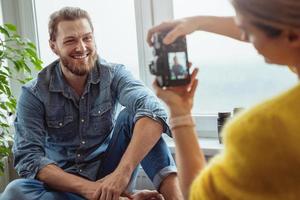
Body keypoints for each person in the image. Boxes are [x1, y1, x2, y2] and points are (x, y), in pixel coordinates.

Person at [1, 7, 183, 200]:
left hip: (110, 177)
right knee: (15, 192)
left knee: (140, 115)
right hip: (64, 187)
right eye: (70, 40)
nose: (81, 47)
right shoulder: (34, 93)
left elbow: (154, 109)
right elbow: (30, 158)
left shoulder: (114, 74)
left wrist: (121, 175)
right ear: (54, 46)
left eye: (87, 38)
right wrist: (91, 190)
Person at [148, 0, 300, 199]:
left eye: (249, 30)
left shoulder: (265, 129)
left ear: (291, 35)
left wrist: (180, 112)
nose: (244, 36)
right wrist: (199, 22)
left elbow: (198, 194)